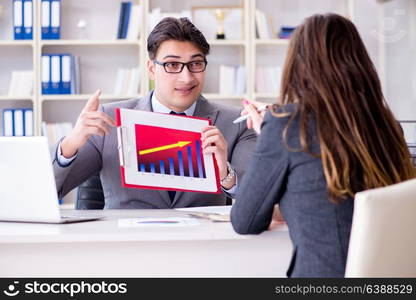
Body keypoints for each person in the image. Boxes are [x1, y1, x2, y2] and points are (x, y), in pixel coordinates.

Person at [230, 13, 416, 277]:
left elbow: (245, 220)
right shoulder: (387, 126)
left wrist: (273, 129)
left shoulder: (287, 125)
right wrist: (272, 128)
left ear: (297, 66)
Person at [53, 17, 256, 209]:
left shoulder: (237, 122)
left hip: (201, 242)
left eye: (195, 64)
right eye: (172, 65)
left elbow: (258, 200)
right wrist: (70, 144)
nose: (186, 78)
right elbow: (53, 189)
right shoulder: (108, 119)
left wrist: (224, 173)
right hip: (129, 242)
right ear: (151, 69)